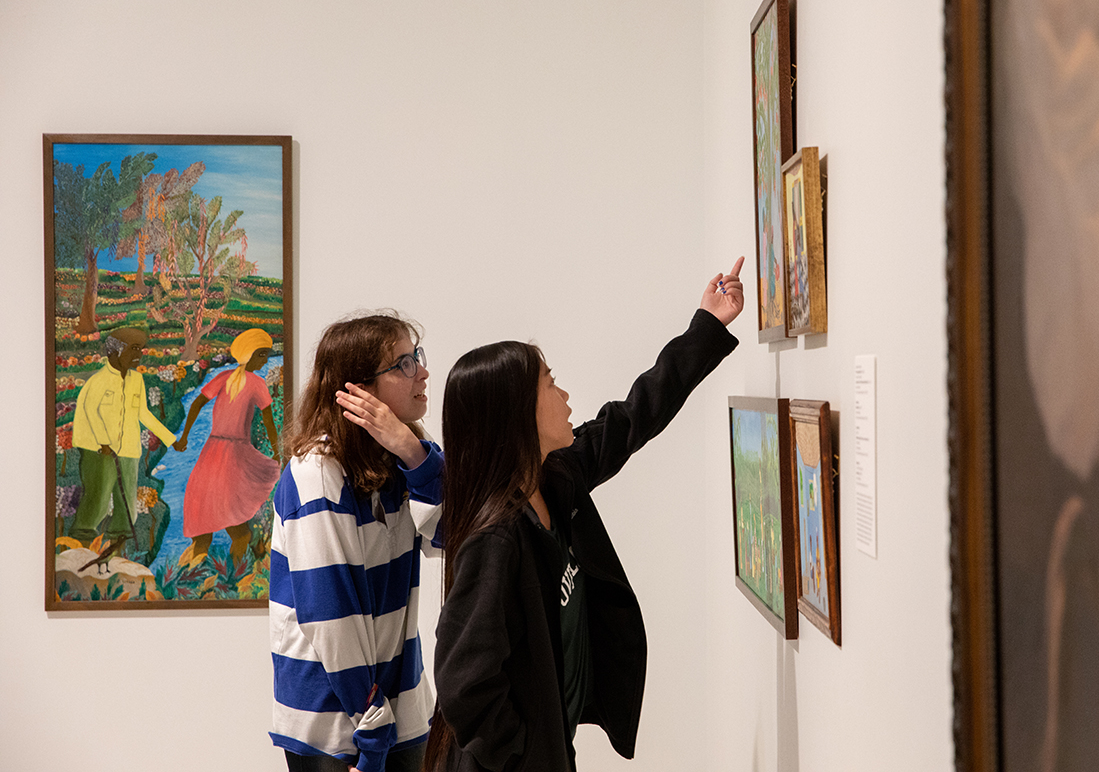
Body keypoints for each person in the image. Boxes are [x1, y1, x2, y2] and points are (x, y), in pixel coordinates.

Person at [425, 258, 745, 772]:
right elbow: (463, 682)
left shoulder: (556, 480)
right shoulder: (497, 537)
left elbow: (632, 417)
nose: (565, 395)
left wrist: (706, 326)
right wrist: (523, 752)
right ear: (517, 415)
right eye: (550, 384)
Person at [269, 311, 443, 772]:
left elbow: (450, 536)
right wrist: (370, 731)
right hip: (335, 719)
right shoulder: (316, 472)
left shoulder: (405, 460)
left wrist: (411, 450)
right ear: (359, 390)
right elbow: (331, 616)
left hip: (399, 708)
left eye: (417, 357)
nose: (422, 372)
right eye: (403, 364)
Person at [173, 327, 281, 566]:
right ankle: (233, 575)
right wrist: (277, 452)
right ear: (249, 354)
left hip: (213, 452)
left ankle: (211, 575)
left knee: (211, 520)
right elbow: (269, 422)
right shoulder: (255, 384)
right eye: (262, 354)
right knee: (239, 528)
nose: (265, 360)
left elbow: (197, 404)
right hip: (232, 456)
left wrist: (185, 437)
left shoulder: (225, 378)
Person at [70, 326, 178, 549]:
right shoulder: (98, 381)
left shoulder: (136, 379)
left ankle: (118, 547)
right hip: (98, 449)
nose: (139, 355)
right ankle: (81, 544)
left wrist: (171, 439)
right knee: (98, 498)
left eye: (142, 349)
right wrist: (104, 442)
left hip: (128, 448)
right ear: (114, 352)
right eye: (134, 349)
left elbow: (143, 414)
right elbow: (91, 411)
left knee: (127, 501)